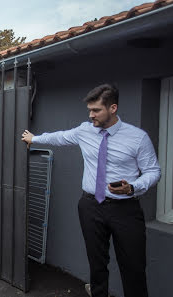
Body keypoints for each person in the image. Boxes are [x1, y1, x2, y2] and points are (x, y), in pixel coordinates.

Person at [21, 84, 161, 297]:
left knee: (133, 266)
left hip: (125, 209)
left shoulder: (137, 137)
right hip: (91, 206)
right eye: (89, 110)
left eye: (96, 110)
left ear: (113, 108)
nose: (91, 115)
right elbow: (60, 137)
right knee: (97, 263)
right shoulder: (85, 130)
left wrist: (133, 187)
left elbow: (153, 171)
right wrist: (35, 138)